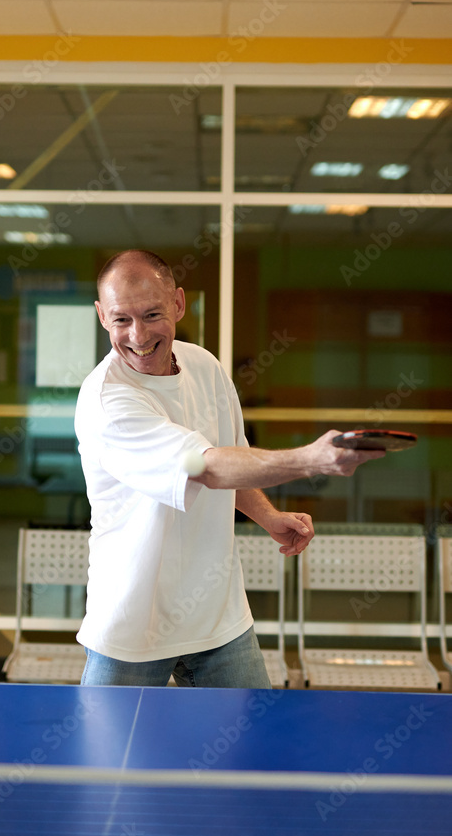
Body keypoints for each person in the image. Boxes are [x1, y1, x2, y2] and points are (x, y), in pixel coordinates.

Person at [74, 249, 384, 689]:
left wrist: (268, 516)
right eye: (121, 319)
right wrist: (312, 460)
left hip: (218, 619)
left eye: (152, 314)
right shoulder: (108, 400)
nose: (138, 334)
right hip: (131, 628)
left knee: (250, 753)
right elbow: (204, 468)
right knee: (111, 759)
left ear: (179, 304)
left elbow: (233, 456)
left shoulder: (205, 366)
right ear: (102, 315)